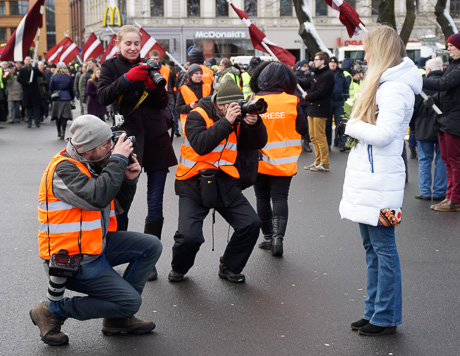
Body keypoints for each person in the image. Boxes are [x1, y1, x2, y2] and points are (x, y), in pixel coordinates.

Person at [30, 115, 162, 346]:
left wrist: (129, 180)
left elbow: (117, 207)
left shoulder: (90, 164)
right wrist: (119, 159)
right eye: (106, 145)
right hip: (72, 262)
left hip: (94, 246)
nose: (111, 149)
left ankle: (117, 318)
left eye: (111, 144)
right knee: (130, 301)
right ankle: (53, 310)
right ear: (84, 148)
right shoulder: (63, 170)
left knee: (151, 246)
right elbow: (99, 196)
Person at [339, 25, 422, 336]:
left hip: (381, 182)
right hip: (373, 181)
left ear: (381, 52)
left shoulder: (395, 88)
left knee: (383, 250)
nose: (364, 55)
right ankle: (374, 310)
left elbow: (387, 135)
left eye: (368, 49)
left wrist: (352, 125)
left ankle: (385, 316)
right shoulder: (387, 84)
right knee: (373, 250)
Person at [98, 25, 177, 281]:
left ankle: (149, 258)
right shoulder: (110, 67)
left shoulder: (150, 64)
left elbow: (164, 103)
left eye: (136, 43)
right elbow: (103, 97)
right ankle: (117, 254)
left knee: (155, 203)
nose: (132, 48)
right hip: (126, 139)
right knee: (122, 202)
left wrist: (154, 86)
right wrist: (128, 78)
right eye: (128, 43)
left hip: (155, 138)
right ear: (118, 44)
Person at [169, 80, 267, 283]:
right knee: (189, 237)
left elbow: (258, 143)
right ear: (219, 104)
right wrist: (227, 122)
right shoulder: (198, 115)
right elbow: (201, 145)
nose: (233, 110)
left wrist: (254, 123)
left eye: (236, 105)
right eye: (229, 106)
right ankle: (179, 268)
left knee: (251, 224)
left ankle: (230, 266)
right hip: (192, 182)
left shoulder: (238, 117)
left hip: (225, 181)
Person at [250, 61, 308, 256]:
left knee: (262, 198)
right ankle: (278, 239)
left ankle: (267, 237)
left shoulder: (253, 99)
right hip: (284, 161)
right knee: (280, 198)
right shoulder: (293, 101)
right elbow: (303, 129)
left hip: (258, 160)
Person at [423, 32, 460, 212]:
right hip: (445, 119)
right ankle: (449, 197)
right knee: (447, 160)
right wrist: (434, 100)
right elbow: (446, 92)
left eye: (451, 45)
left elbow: (445, 84)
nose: (448, 48)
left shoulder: (459, 68)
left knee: (454, 161)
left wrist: (420, 81)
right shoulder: (453, 66)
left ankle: (455, 199)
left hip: (454, 121)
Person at [409, 57, 447, 201]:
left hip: (423, 128)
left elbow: (413, 110)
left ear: (428, 70)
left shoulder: (420, 86)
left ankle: (425, 191)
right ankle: (439, 191)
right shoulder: (447, 85)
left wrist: (413, 128)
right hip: (442, 127)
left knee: (424, 160)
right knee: (441, 160)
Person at [302, 51, 335, 172]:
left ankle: (324, 163)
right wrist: (293, 77)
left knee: (320, 137)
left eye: (316, 59)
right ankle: (317, 161)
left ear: (322, 61)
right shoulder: (316, 74)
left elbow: (322, 92)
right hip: (312, 109)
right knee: (313, 137)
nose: (313, 61)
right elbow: (306, 83)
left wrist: (307, 96)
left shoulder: (328, 75)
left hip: (320, 109)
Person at [176, 63, 211, 133]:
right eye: (196, 73)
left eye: (201, 73)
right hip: (191, 124)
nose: (199, 75)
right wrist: (189, 106)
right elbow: (178, 109)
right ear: (191, 75)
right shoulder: (183, 89)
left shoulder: (207, 87)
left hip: (206, 122)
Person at [327, 56, 349, 151]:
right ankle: (327, 144)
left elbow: (345, 86)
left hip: (339, 101)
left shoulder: (341, 74)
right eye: (331, 63)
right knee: (327, 124)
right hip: (328, 101)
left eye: (334, 63)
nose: (333, 64)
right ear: (328, 64)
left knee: (340, 123)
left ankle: (341, 143)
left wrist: (345, 96)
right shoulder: (326, 73)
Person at [49, 62, 75, 140]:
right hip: (66, 97)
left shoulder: (54, 76)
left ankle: (59, 131)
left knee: (57, 116)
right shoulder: (69, 77)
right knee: (65, 117)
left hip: (57, 98)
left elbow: (51, 87)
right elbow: (71, 88)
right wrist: (72, 97)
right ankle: (63, 131)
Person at [17, 56, 43, 128]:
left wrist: (35, 69)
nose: (28, 61)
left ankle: (37, 121)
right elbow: (18, 79)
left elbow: (40, 75)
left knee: (36, 107)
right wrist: (26, 83)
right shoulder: (22, 70)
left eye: (29, 60)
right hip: (26, 91)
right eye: (27, 60)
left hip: (35, 91)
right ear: (24, 61)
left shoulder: (33, 69)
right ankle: (29, 122)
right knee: (27, 107)